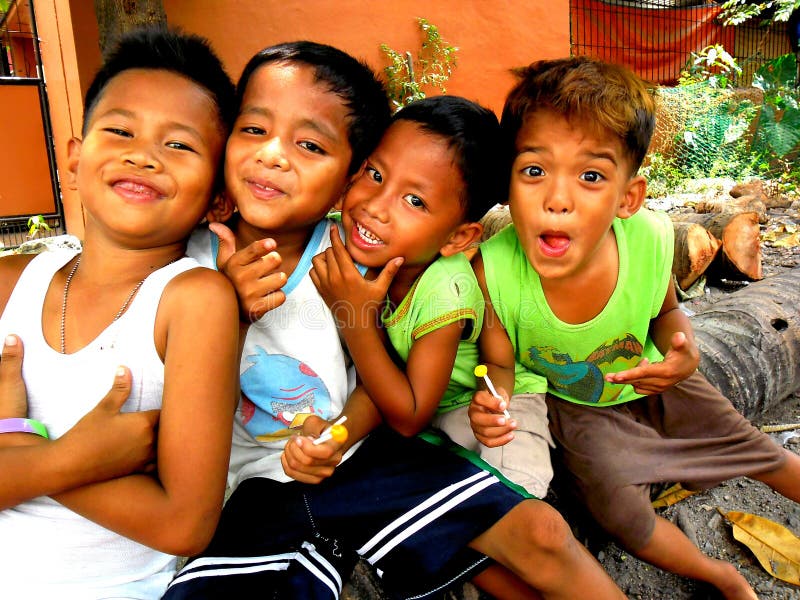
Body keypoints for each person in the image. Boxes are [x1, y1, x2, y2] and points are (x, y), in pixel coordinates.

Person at [164, 42, 624, 600]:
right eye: (254, 130)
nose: (274, 157)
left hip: (357, 459)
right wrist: (221, 308)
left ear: (344, 174)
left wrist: (334, 438)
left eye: (309, 144)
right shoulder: (181, 256)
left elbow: (379, 384)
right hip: (243, 490)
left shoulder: (353, 261)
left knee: (540, 535)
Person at [470, 55, 800, 600]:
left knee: (758, 451)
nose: (557, 197)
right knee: (621, 514)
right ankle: (719, 574)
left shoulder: (649, 239)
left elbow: (665, 310)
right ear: (508, 181)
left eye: (591, 175)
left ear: (629, 197)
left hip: (663, 386)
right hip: (577, 407)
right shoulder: (493, 270)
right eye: (534, 169)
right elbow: (499, 363)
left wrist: (683, 353)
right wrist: (495, 401)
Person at [0, 28, 240, 598]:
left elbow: (185, 524)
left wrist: (16, 452)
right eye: (120, 130)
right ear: (75, 157)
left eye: (179, 145)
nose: (143, 155)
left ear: (217, 198)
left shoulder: (193, 301)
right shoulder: (11, 287)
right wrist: (64, 459)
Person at [310, 95, 554, 499]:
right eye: (374, 174)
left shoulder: (444, 292)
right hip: (409, 398)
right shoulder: (347, 237)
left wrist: (352, 316)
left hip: (475, 401)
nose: (375, 207)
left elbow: (409, 415)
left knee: (512, 488)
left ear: (457, 238)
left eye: (415, 201)